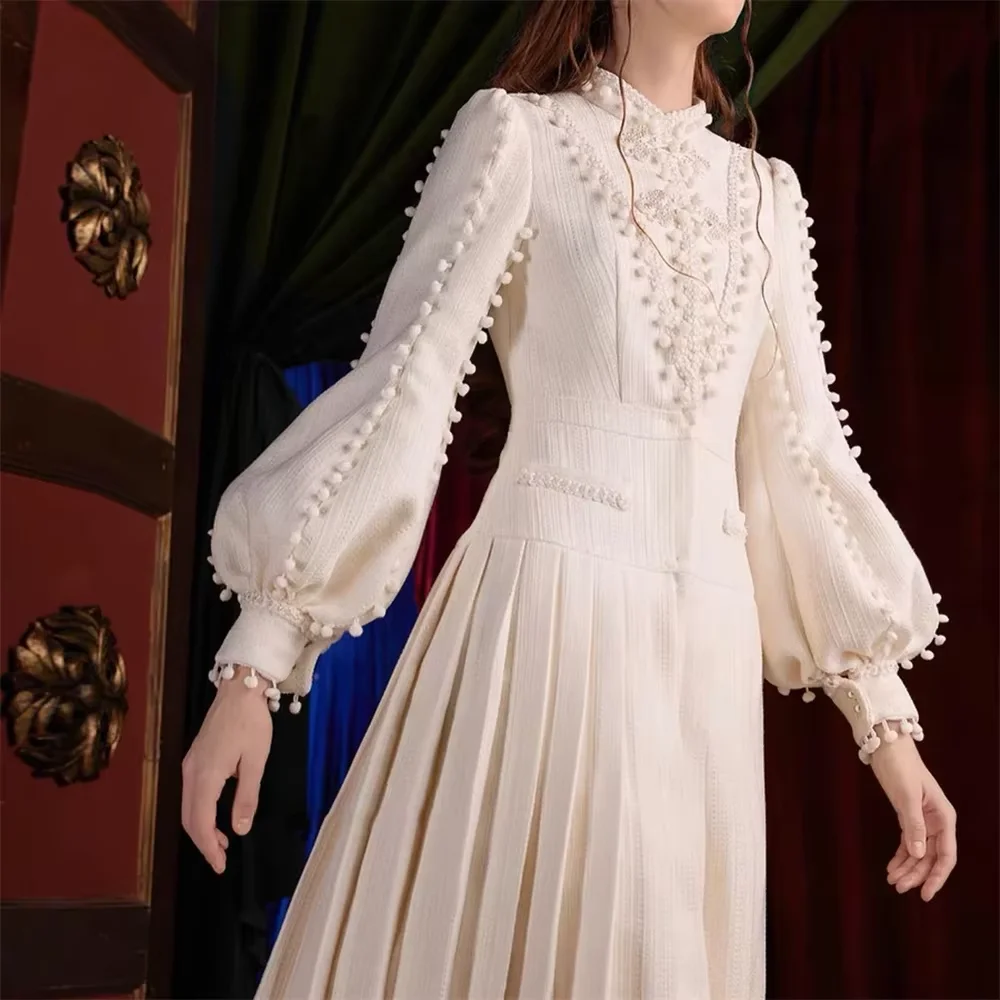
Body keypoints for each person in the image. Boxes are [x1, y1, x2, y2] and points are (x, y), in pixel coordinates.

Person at [182, 0, 958, 996]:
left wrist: (885, 725)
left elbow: (800, 463)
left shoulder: (766, 197)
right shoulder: (519, 137)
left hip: (705, 656)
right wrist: (257, 661)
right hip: (546, 621)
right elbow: (405, 386)